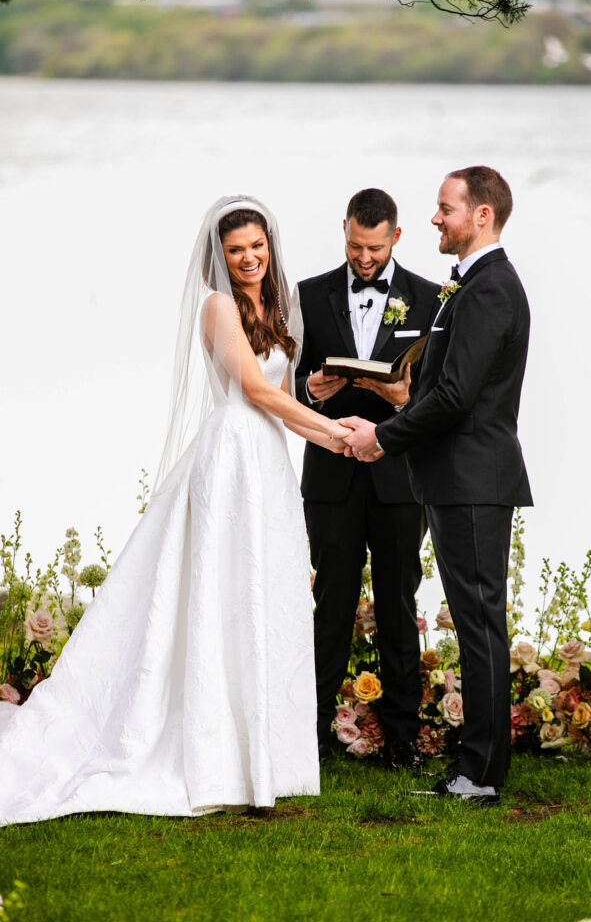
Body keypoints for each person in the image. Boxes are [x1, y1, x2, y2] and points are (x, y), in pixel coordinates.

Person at [0, 195, 352, 826]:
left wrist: (317, 393)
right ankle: (210, 753)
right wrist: (333, 435)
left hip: (267, 457)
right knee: (220, 593)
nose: (247, 258)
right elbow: (249, 390)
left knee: (263, 594)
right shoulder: (218, 308)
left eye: (256, 247)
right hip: (232, 454)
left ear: (270, 247)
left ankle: (264, 755)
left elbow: (280, 389)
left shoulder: (275, 306)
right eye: (236, 250)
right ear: (217, 258)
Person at [342, 168, 532, 804]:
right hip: (460, 478)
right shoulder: (473, 285)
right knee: (478, 622)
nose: (434, 219)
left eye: (445, 209)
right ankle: (478, 766)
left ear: (481, 215)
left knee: (479, 624)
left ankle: (479, 775)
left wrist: (384, 436)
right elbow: (446, 387)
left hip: (473, 479)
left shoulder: (488, 290)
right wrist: (400, 396)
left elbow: (456, 398)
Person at [294, 188, 440, 768]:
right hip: (330, 473)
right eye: (355, 246)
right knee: (329, 602)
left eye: (375, 248)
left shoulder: (430, 298)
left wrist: (404, 396)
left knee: (398, 604)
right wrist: (312, 388)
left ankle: (403, 738)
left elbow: (440, 394)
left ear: (396, 238)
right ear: (345, 232)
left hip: (401, 478)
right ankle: (311, 732)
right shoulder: (308, 294)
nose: (364, 258)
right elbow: (289, 374)